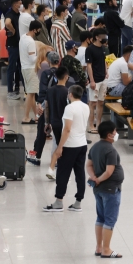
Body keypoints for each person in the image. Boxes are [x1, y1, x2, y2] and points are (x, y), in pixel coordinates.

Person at [43, 84, 89, 212]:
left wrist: (60, 147)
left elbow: (67, 129)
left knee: (63, 172)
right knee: (80, 173)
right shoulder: (86, 107)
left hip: (70, 145)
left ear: (70, 94)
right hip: (82, 144)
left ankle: (58, 202)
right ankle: (78, 202)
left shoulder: (69, 108)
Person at [87, 120, 124, 259]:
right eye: (114, 132)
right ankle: (106, 249)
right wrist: (99, 179)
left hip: (98, 189)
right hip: (110, 189)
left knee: (100, 217)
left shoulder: (95, 147)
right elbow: (109, 171)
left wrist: (94, 177)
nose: (116, 134)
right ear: (109, 135)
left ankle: (99, 247)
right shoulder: (110, 150)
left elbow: (89, 165)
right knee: (110, 219)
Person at [28, 52, 63, 166]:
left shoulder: (46, 74)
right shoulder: (63, 73)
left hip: (47, 105)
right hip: (60, 106)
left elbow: (42, 90)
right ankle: (59, 158)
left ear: (48, 61)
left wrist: (40, 104)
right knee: (59, 133)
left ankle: (36, 157)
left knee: (42, 131)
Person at [42, 66, 72, 179]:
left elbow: (47, 107)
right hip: (64, 122)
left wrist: (46, 123)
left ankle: (54, 166)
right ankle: (58, 168)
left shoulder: (50, 90)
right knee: (63, 146)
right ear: (66, 77)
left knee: (58, 143)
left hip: (54, 122)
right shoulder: (68, 92)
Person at [19, 20, 43, 125]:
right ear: (34, 30)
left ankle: (36, 116)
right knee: (30, 93)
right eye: (38, 30)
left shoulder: (23, 37)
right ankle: (26, 117)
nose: (39, 32)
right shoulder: (31, 42)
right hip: (30, 68)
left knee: (31, 92)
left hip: (24, 68)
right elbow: (33, 58)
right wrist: (41, 56)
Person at [86, 28, 109, 134]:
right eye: (103, 36)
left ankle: (98, 123)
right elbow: (89, 65)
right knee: (92, 103)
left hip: (103, 78)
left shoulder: (103, 48)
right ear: (97, 37)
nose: (105, 38)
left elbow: (104, 60)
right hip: (95, 80)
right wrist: (92, 80)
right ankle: (90, 125)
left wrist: (106, 71)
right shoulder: (90, 49)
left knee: (101, 102)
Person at [4, 0, 22, 100]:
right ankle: (10, 91)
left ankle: (17, 88)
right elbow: (7, 23)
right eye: (20, 3)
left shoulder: (19, 14)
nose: (21, 5)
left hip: (19, 45)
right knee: (11, 67)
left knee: (19, 67)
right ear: (15, 4)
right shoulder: (10, 14)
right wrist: (13, 30)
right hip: (13, 45)